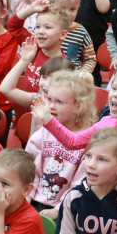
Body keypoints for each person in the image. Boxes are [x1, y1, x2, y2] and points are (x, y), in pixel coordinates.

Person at [36, 32, 117, 199]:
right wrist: (48, 119)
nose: (115, 95)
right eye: (115, 88)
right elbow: (72, 142)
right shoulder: (104, 123)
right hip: (106, 194)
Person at [25, 70, 96, 211]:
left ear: (78, 106)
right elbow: (30, 172)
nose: (51, 106)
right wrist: (26, 203)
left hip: (66, 209)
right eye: (49, 99)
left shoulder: (88, 141)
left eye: (59, 102)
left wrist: (57, 211)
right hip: (32, 202)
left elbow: (80, 185)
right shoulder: (42, 134)